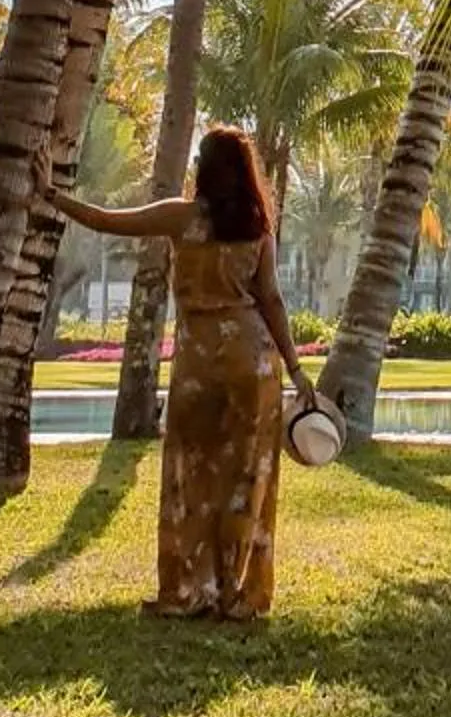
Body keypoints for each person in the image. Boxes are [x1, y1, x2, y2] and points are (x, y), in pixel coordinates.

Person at [47, 126, 319, 621]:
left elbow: (107, 221)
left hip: (198, 363)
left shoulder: (181, 217)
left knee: (191, 472)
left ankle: (190, 589)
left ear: (204, 168)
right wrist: (297, 370)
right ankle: (237, 594)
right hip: (252, 360)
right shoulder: (257, 229)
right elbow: (272, 299)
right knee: (245, 478)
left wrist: (50, 194)